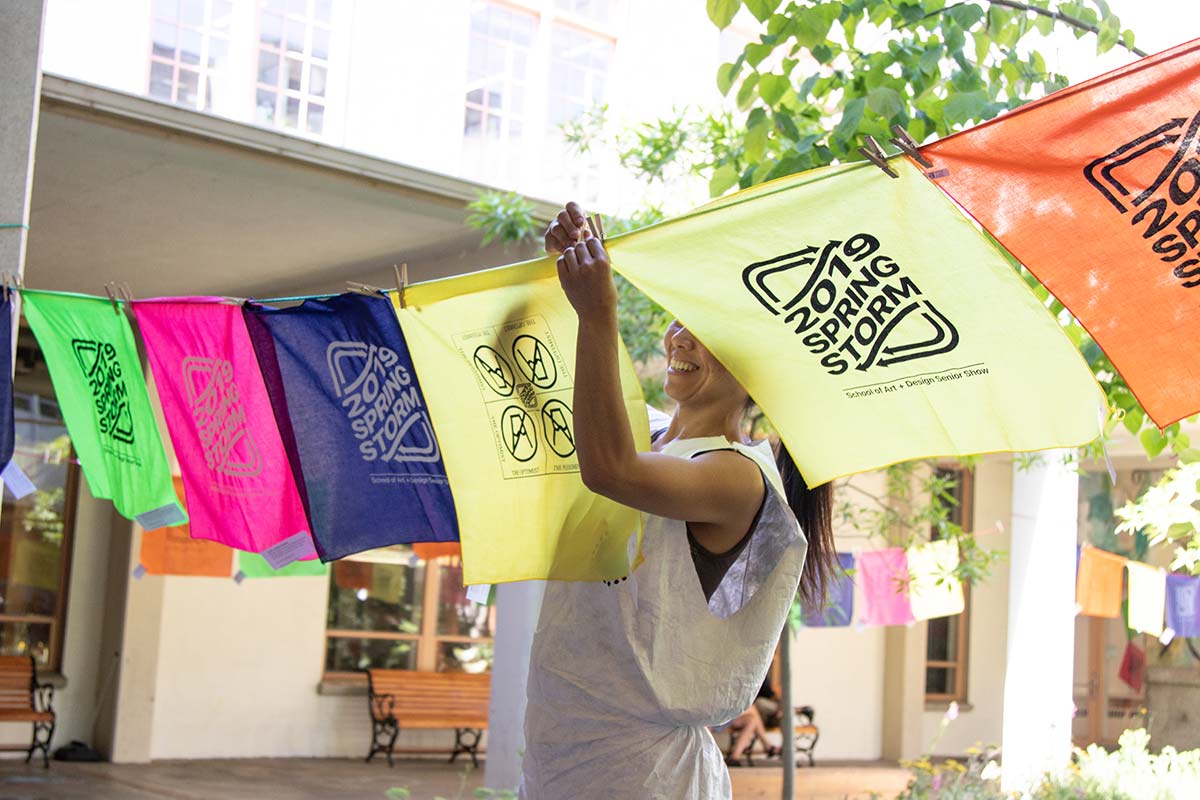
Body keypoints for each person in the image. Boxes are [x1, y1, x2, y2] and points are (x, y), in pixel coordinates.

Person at [520, 203, 837, 799]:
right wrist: (569, 274)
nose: (681, 337)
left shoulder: (739, 476)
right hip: (559, 745)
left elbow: (609, 469)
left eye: (709, 331)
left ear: (757, 369)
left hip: (643, 774)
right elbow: (554, 395)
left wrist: (598, 310)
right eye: (680, 320)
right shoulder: (649, 431)